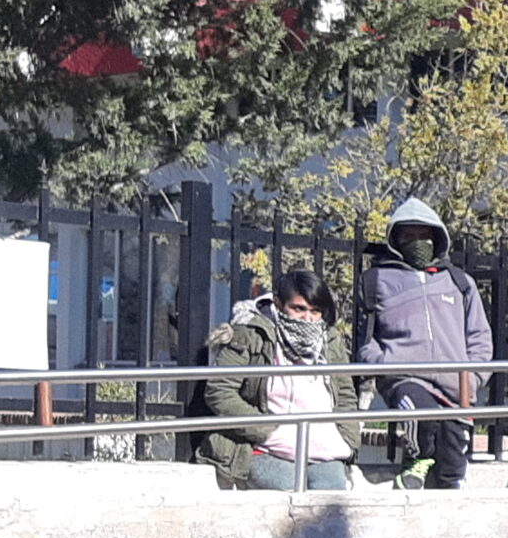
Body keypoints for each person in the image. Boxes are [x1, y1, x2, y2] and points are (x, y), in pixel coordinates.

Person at [355, 197, 492, 490]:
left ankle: (446, 490)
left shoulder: (460, 282)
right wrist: (385, 365)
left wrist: (474, 377)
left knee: (453, 455)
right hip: (404, 378)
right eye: (409, 235)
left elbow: (479, 336)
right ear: (395, 239)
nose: (417, 241)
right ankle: (415, 462)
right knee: (421, 415)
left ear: (437, 237)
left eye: (423, 234)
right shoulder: (376, 281)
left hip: (457, 385)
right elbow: (364, 340)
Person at [200, 271, 361, 491]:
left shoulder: (330, 339)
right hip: (264, 446)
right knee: (288, 490)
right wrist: (265, 430)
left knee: (330, 492)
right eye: (298, 309)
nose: (307, 318)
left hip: (322, 447)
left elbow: (345, 394)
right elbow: (219, 390)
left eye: (315, 311)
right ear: (278, 303)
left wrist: (348, 440)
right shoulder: (251, 333)